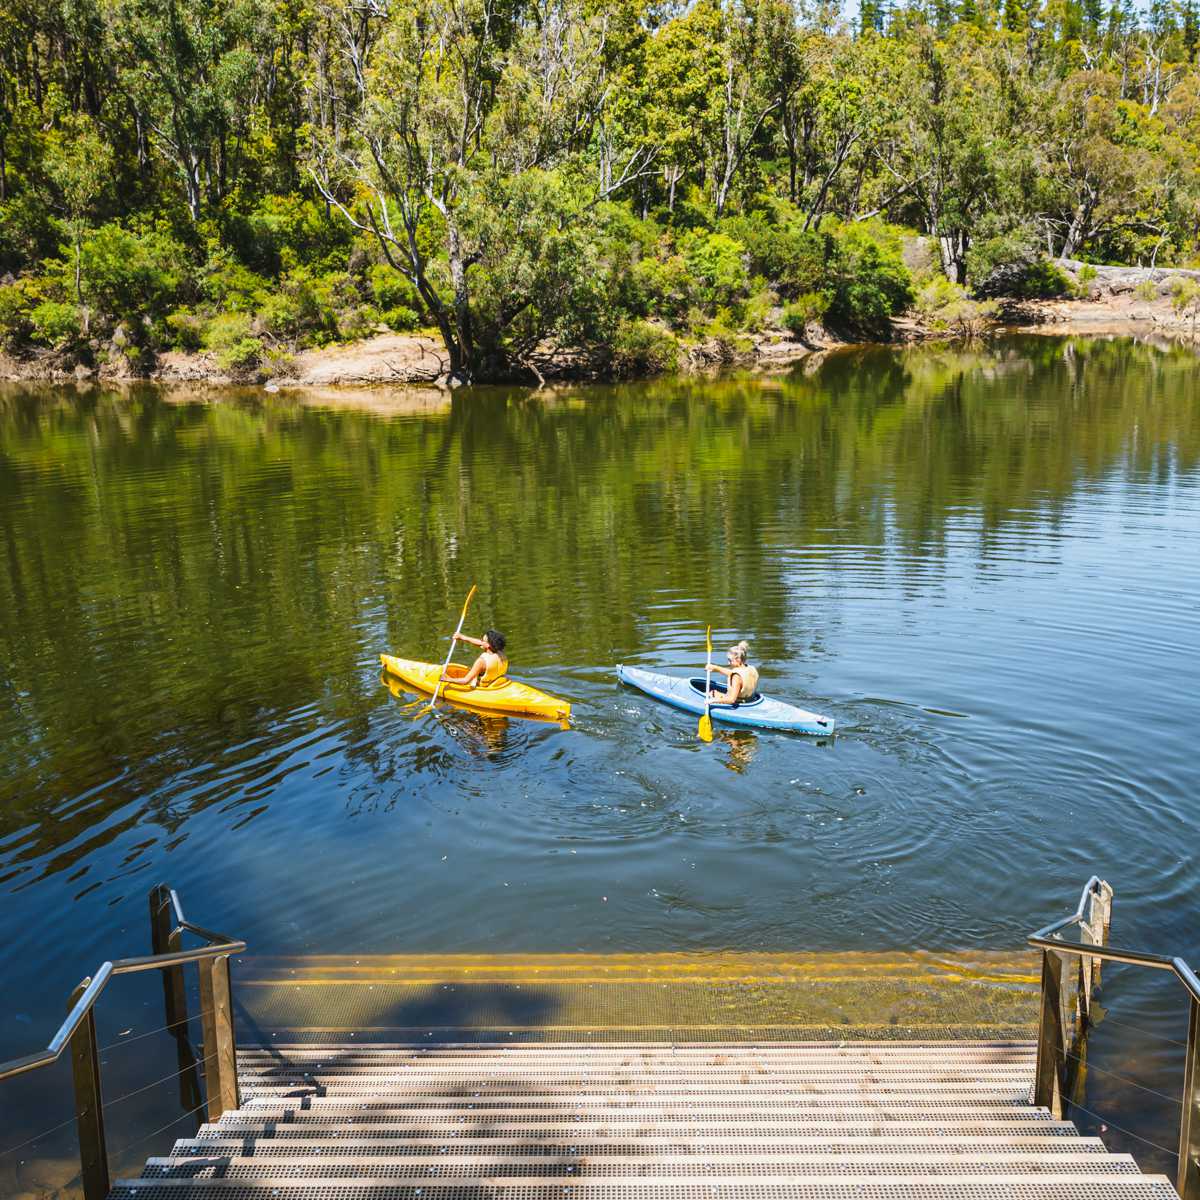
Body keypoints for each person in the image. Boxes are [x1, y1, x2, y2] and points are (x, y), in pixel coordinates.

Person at [706, 640, 759, 706]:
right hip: (751, 699)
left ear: (738, 659)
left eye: (730, 660)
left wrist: (712, 700)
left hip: (739, 703)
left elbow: (731, 700)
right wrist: (716, 668)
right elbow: (733, 674)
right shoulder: (751, 668)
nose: (728, 663)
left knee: (711, 693)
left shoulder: (736, 677)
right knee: (714, 692)